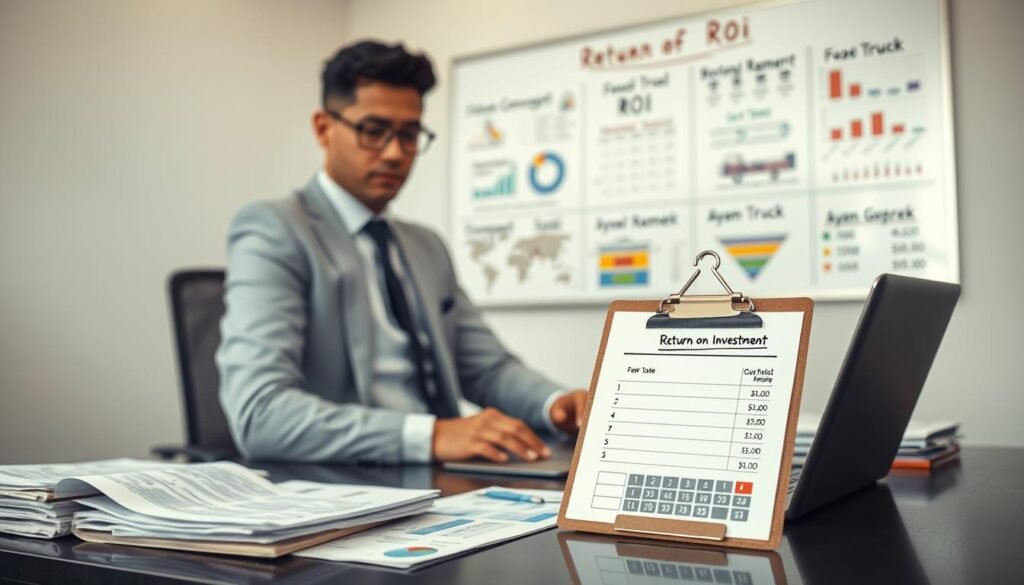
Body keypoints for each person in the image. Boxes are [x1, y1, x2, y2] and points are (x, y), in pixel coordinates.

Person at [216, 40, 587, 464]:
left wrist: (554, 404)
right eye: (373, 131)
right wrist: (430, 436)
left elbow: (486, 369)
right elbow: (260, 414)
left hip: (443, 479)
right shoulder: (274, 230)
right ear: (323, 128)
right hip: (349, 483)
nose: (394, 153)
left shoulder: (424, 246)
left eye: (409, 135)